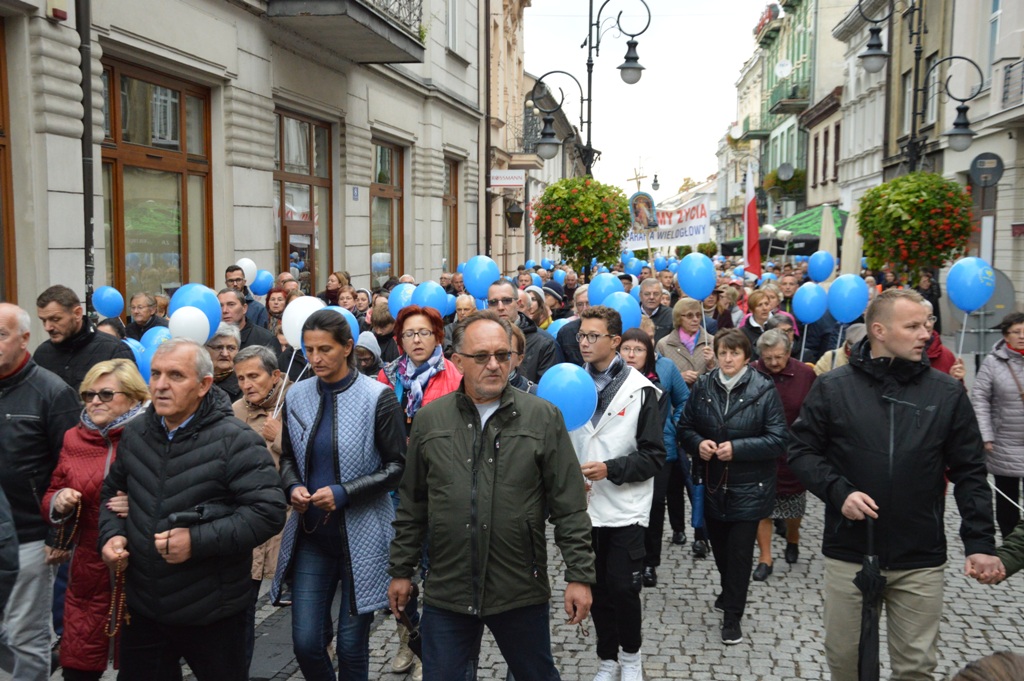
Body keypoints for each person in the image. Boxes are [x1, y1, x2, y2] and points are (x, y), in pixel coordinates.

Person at [788, 289, 1001, 681]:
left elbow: (971, 471)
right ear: (879, 331)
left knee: (916, 669)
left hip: (919, 556)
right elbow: (801, 451)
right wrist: (839, 492)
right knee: (845, 663)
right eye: (913, 326)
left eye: (928, 324)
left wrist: (981, 543)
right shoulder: (833, 387)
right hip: (849, 552)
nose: (926, 334)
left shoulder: (946, 392)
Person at [387, 310, 595, 680]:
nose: (495, 364)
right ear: (458, 361)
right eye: (482, 356)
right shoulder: (430, 420)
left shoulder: (543, 417)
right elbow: (413, 505)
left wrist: (579, 576)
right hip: (448, 588)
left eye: (503, 354)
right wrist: (402, 571)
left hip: (518, 586)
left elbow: (569, 506)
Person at [97, 338, 287, 680]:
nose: (160, 385)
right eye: (155, 374)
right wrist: (112, 536)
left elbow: (267, 512)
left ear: (203, 385)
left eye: (175, 375)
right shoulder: (137, 433)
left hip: (212, 611)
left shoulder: (237, 439)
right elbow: (112, 493)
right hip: (145, 606)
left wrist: (196, 541)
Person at [271, 310, 406, 681]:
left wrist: (345, 492)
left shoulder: (377, 397)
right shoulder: (298, 395)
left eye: (325, 349)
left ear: (347, 347)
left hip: (363, 536)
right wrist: (292, 487)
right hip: (312, 535)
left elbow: (398, 466)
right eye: (309, 350)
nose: (315, 358)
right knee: (306, 643)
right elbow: (288, 457)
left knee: (350, 645)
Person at [570, 307, 665, 681]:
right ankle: (607, 658)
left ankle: (631, 656)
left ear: (614, 341)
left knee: (624, 588)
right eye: (581, 335)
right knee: (596, 589)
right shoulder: (570, 383)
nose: (585, 343)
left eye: (593, 336)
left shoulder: (640, 390)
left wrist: (611, 468)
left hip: (626, 507)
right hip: (585, 508)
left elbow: (654, 456)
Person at [678, 328, 787, 645]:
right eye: (723, 352)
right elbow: (684, 427)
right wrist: (698, 443)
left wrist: (738, 449)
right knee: (721, 550)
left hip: (750, 487)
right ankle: (729, 592)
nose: (728, 359)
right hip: (713, 485)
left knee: (739, 555)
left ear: (746, 357)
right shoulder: (704, 385)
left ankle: (732, 617)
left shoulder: (763, 389)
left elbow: (778, 439)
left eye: (734, 353)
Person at [42, 359, 149, 681]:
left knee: (141, 666)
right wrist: (59, 500)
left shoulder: (151, 435)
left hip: (139, 570)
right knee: (78, 667)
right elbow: (52, 490)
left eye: (106, 394)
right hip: (87, 570)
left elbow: (178, 492)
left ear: (133, 396)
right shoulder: (74, 438)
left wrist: (138, 504)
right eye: (89, 394)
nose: (95, 401)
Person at [0, 303, 80, 681]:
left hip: (29, 535)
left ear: (24, 339)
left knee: (24, 635)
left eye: (1, 335)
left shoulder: (52, 392)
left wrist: (59, 535)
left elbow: (72, 467)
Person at [231, 345, 289, 672]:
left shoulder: (299, 399)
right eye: (241, 378)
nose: (246, 384)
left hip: (294, 519)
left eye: (254, 376)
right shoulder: (236, 411)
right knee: (243, 607)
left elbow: (318, 456)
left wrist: (280, 438)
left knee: (306, 609)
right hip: (250, 520)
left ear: (275, 375)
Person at [618, 329, 689, 587]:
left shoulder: (661, 375)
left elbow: (684, 400)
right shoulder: (612, 379)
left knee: (655, 505)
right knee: (626, 506)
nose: (632, 354)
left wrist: (674, 425)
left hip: (659, 451)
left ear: (648, 354)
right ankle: (629, 561)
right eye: (627, 349)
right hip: (622, 452)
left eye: (638, 350)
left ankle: (650, 562)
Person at [751, 329, 816, 577]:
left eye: (779, 357)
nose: (774, 363)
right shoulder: (752, 372)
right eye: (768, 358)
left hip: (794, 448)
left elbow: (815, 411)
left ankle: (793, 537)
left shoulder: (805, 374)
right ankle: (765, 558)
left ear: (789, 353)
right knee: (762, 506)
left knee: (794, 504)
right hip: (761, 449)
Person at [971, 311, 1024, 539]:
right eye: (1017, 332)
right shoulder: (993, 363)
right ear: (1006, 335)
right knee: (1007, 498)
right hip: (1005, 440)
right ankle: (1010, 541)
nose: (1022, 336)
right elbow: (980, 398)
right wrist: (986, 435)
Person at [378, 305, 462, 438]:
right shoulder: (388, 374)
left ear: (437, 337)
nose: (416, 340)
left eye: (424, 333)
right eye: (409, 334)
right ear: (401, 341)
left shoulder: (454, 377)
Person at [34, 285, 136, 391]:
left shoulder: (114, 350)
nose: (47, 327)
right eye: (43, 320)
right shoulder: (41, 354)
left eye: (55, 319)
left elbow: (132, 397)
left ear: (77, 313)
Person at [487, 279, 561, 383]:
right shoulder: (479, 339)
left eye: (506, 300)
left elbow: (547, 387)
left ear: (518, 304)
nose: (500, 307)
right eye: (493, 302)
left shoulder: (544, 343)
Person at [656, 297, 716, 387]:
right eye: (689, 315)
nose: (695, 319)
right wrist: (679, 378)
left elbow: (723, 377)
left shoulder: (712, 341)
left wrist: (711, 365)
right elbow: (658, 379)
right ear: (678, 318)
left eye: (698, 315)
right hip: (677, 395)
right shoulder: (663, 344)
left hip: (705, 394)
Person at [218, 288, 282, 354]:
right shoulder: (213, 338)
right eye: (220, 306)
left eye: (231, 304)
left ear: (244, 308)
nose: (224, 310)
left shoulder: (266, 340)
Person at [225, 265, 270, 329]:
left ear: (244, 282)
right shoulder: (221, 308)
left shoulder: (258, 309)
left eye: (238, 280)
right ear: (226, 283)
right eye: (231, 281)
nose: (235, 284)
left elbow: (263, 334)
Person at [206, 323, 243, 402]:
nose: (225, 354)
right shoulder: (196, 381)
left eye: (231, 348)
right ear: (205, 349)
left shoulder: (244, 385)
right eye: (218, 347)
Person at [556, 285, 589, 367]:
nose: (585, 308)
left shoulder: (607, 329)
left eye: (588, 303)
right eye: (580, 304)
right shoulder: (565, 332)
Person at [739, 289, 773, 360]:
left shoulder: (777, 326)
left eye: (766, 304)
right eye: (759, 305)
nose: (764, 308)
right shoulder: (743, 333)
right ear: (751, 309)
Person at [638, 278, 673, 344]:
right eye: (647, 294)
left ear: (661, 295)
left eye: (656, 294)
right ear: (640, 295)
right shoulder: (633, 314)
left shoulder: (670, 315)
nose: (651, 297)